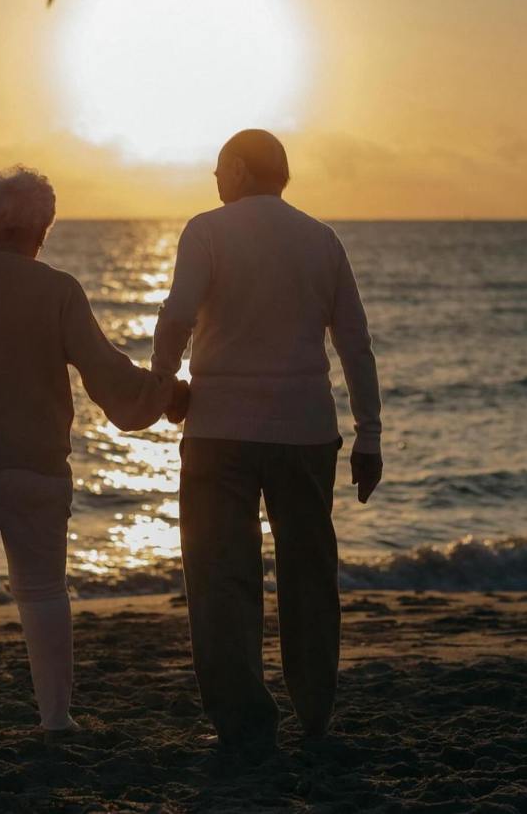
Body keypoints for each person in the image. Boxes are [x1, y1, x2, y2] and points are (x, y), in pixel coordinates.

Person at [0, 165, 183, 750]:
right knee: (44, 590)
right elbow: (106, 375)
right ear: (44, 228)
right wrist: (165, 393)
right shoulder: (57, 290)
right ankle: (55, 720)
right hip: (32, 465)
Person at [154, 129, 383, 754]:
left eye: (218, 168)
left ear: (237, 168)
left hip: (219, 431)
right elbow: (354, 343)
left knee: (221, 579)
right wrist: (370, 434)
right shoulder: (321, 239)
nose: (215, 179)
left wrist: (163, 384)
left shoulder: (206, 229)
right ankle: (314, 712)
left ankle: (244, 723)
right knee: (309, 574)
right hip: (305, 430)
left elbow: (177, 314)